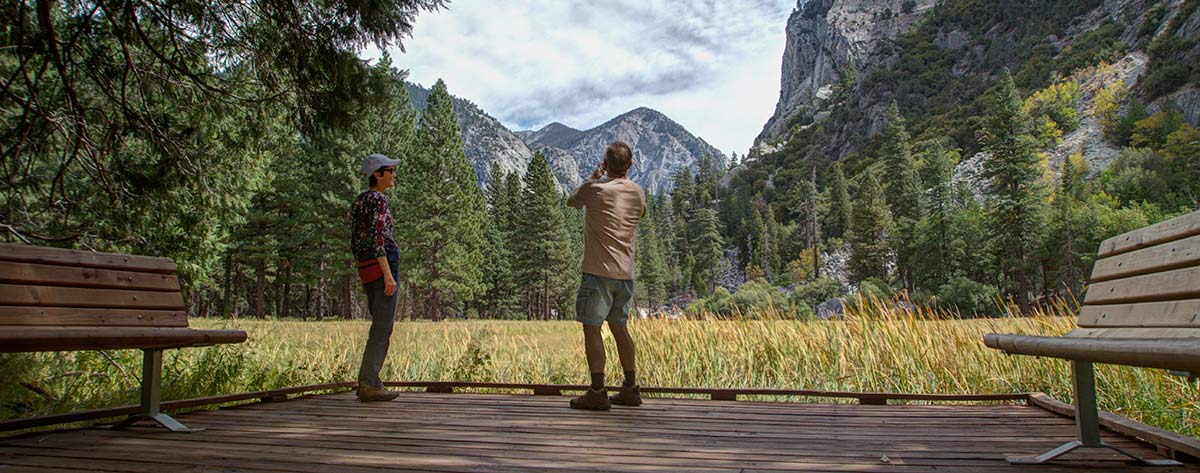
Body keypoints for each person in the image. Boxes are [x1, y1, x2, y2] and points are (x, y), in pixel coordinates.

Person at [565, 141, 647, 410]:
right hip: (625, 274)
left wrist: (592, 178)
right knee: (620, 329)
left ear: (605, 163)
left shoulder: (594, 189)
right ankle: (631, 388)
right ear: (630, 165)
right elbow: (641, 213)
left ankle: (598, 391)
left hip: (597, 272)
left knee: (592, 329)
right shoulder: (638, 193)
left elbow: (571, 201)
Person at [350, 153, 403, 402]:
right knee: (382, 328)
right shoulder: (379, 200)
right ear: (377, 175)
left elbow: (357, 241)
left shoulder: (360, 201)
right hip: (382, 267)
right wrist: (388, 274)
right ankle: (370, 383)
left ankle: (368, 380)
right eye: (389, 170)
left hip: (366, 267)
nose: (393, 174)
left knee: (377, 326)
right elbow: (378, 238)